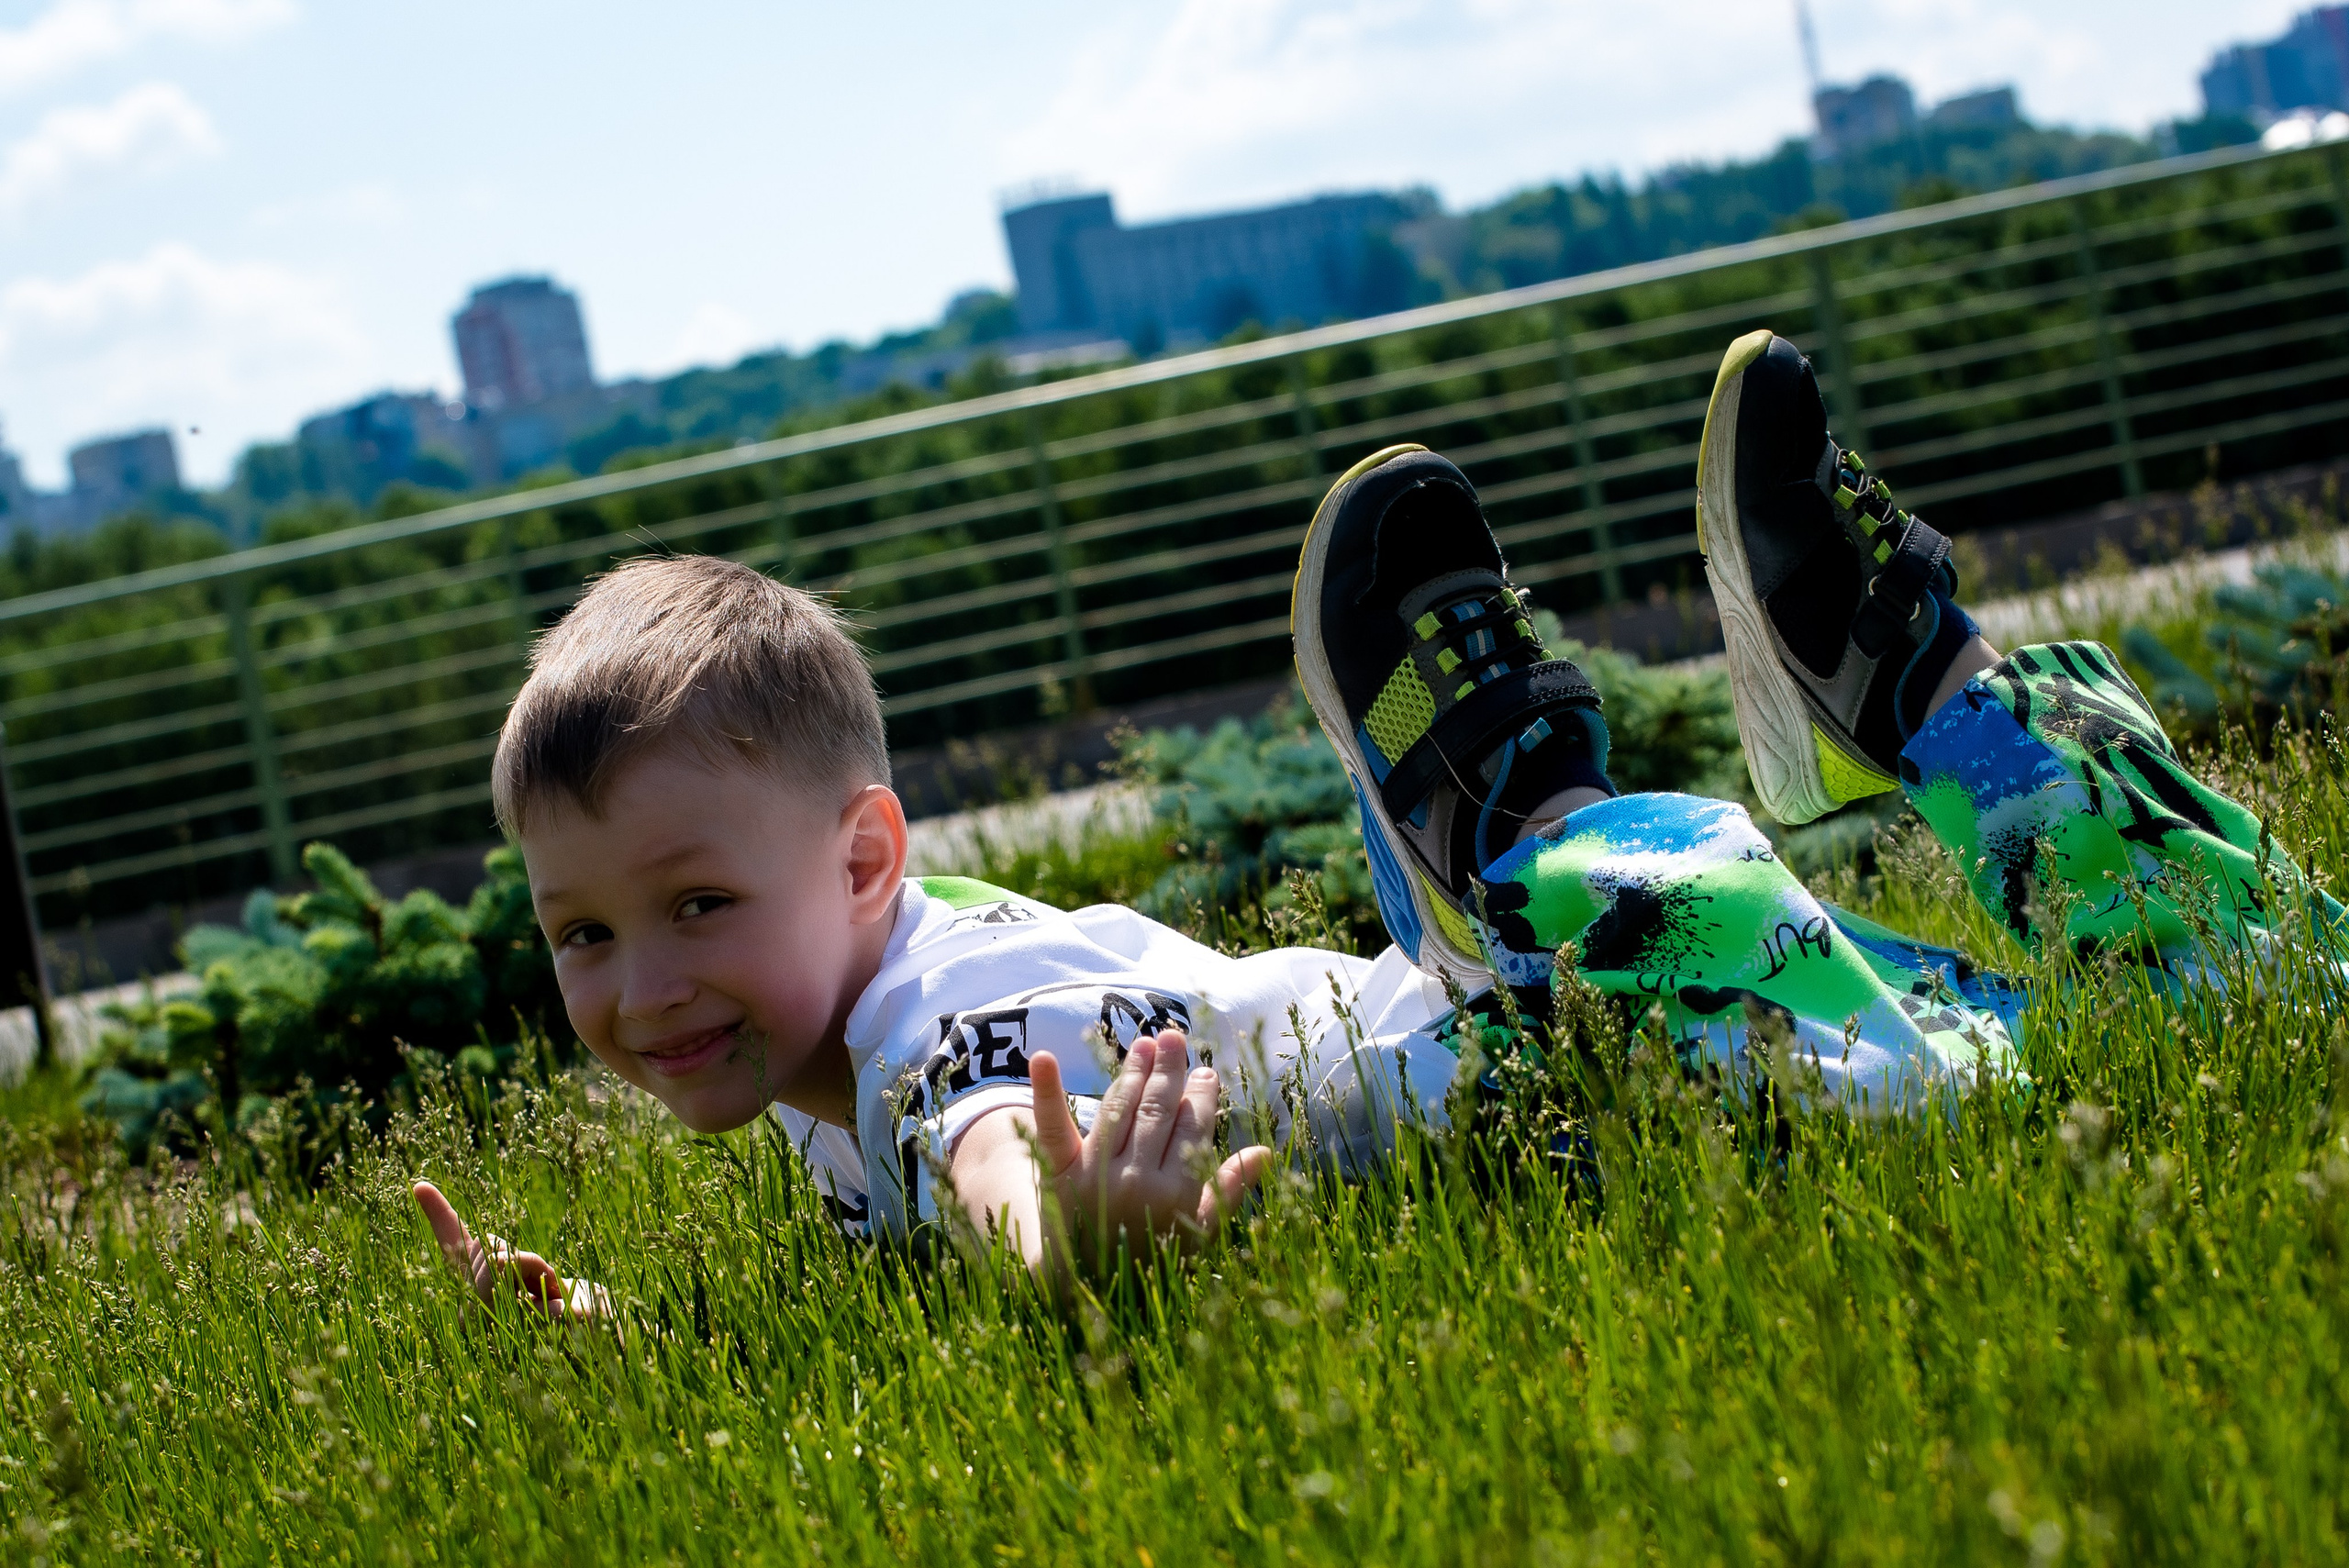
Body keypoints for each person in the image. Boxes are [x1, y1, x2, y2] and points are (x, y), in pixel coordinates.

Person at [414, 331, 2334, 1309]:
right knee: (2237, 1015)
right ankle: (1922, 689)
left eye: (688, 906)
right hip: (1555, 1102)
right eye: (584, 932)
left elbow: (988, 1142)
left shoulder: (922, 1027)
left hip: (1549, 1062)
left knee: (1877, 1080)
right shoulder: (835, 1060)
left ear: (861, 864)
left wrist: (1057, 1244)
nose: (641, 981)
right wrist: (615, 1328)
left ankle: (1507, 796)